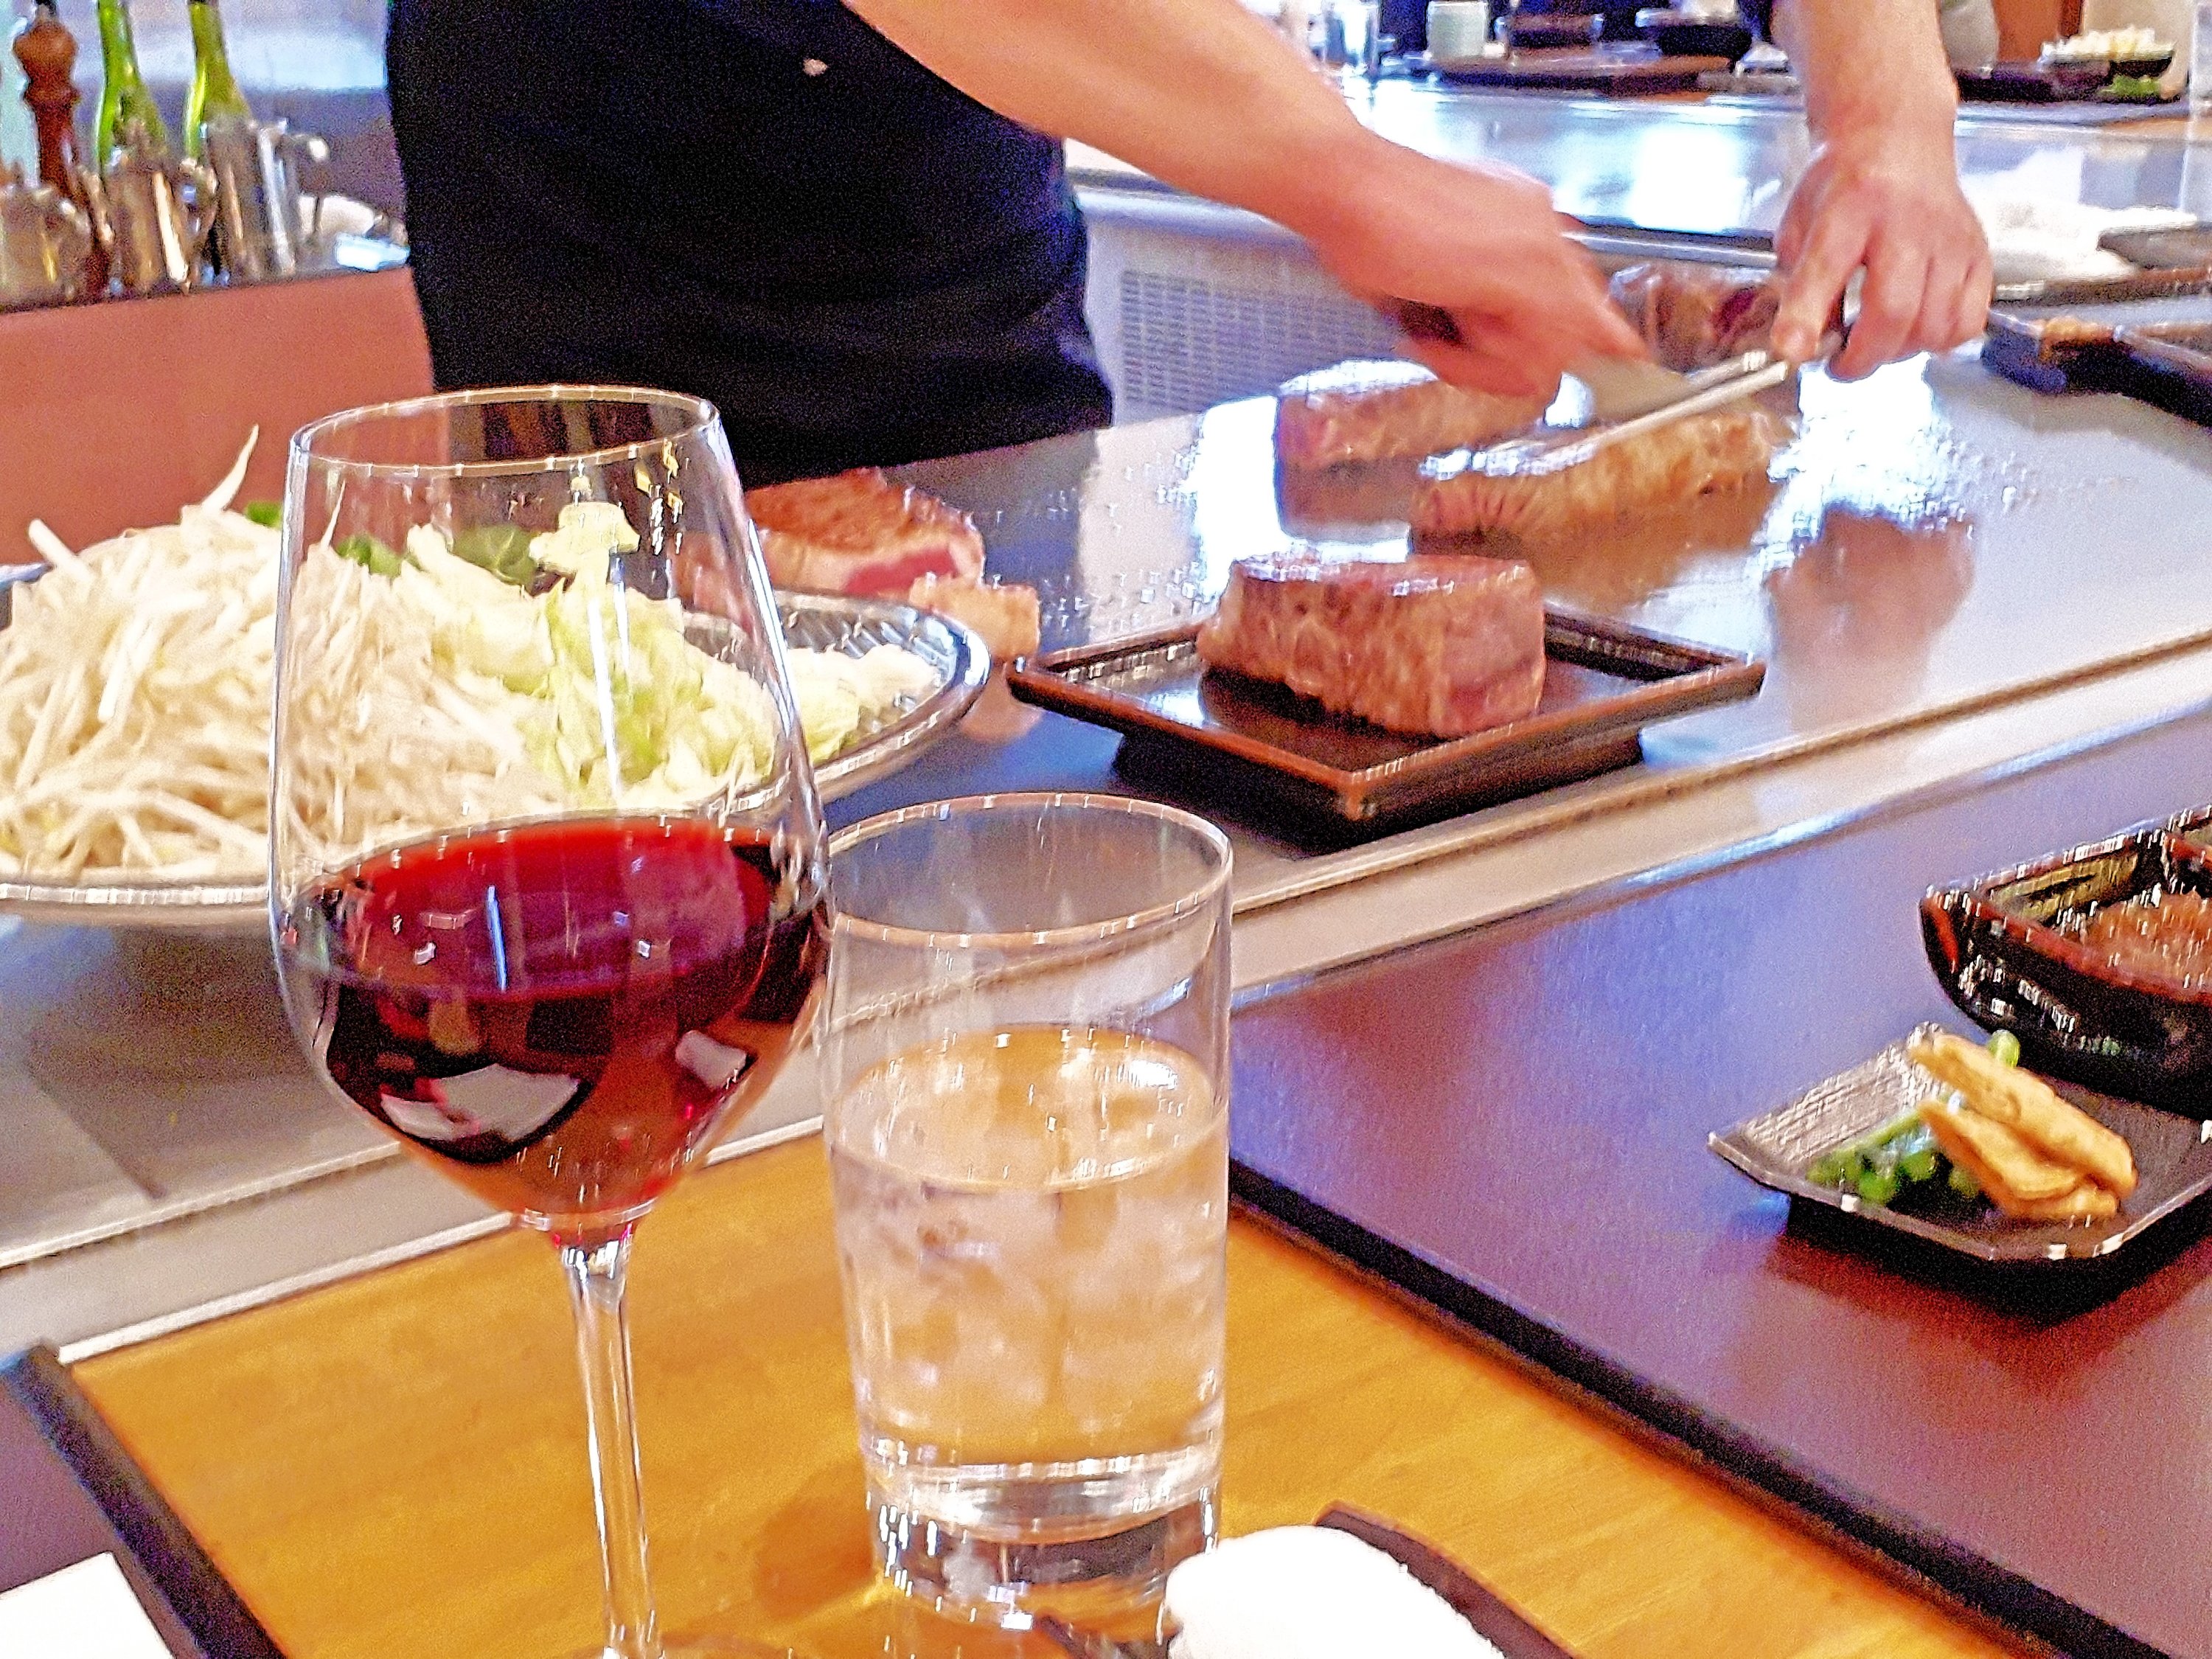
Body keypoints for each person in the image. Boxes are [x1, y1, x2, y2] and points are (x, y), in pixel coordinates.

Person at [387, 0, 1987, 487]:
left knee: (1001, 702)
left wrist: (1890, 116)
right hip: (610, 169)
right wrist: (1343, 173)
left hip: (954, 216)